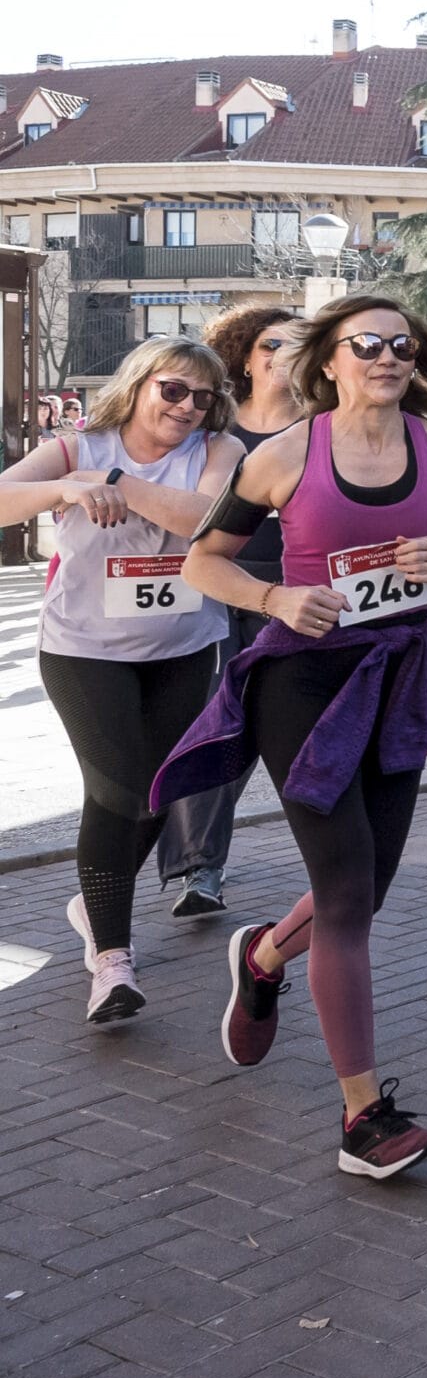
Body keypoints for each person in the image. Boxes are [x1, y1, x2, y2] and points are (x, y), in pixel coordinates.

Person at [158, 294, 427, 1177]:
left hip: (398, 678)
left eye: (401, 345)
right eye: (367, 344)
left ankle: (264, 955)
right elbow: (202, 560)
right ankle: (363, 1118)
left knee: (367, 888)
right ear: (331, 360)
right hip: (302, 683)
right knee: (345, 892)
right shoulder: (283, 455)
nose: (387, 357)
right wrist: (275, 596)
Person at [0, 338, 241, 1024]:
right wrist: (67, 487)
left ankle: (95, 898)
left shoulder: (219, 450)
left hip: (182, 647)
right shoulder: (80, 445)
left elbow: (205, 520)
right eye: (174, 389)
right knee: (115, 791)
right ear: (138, 384)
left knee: (163, 787)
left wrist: (117, 486)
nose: (188, 407)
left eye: (203, 397)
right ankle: (112, 962)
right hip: (85, 651)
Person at [156, 305, 303, 919]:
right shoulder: (212, 428)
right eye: (271, 344)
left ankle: (340, 858)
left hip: (293, 592)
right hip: (215, 587)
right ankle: (200, 868)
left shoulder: (322, 428)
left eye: (297, 345)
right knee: (216, 721)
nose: (282, 355)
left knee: (278, 726)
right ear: (245, 355)